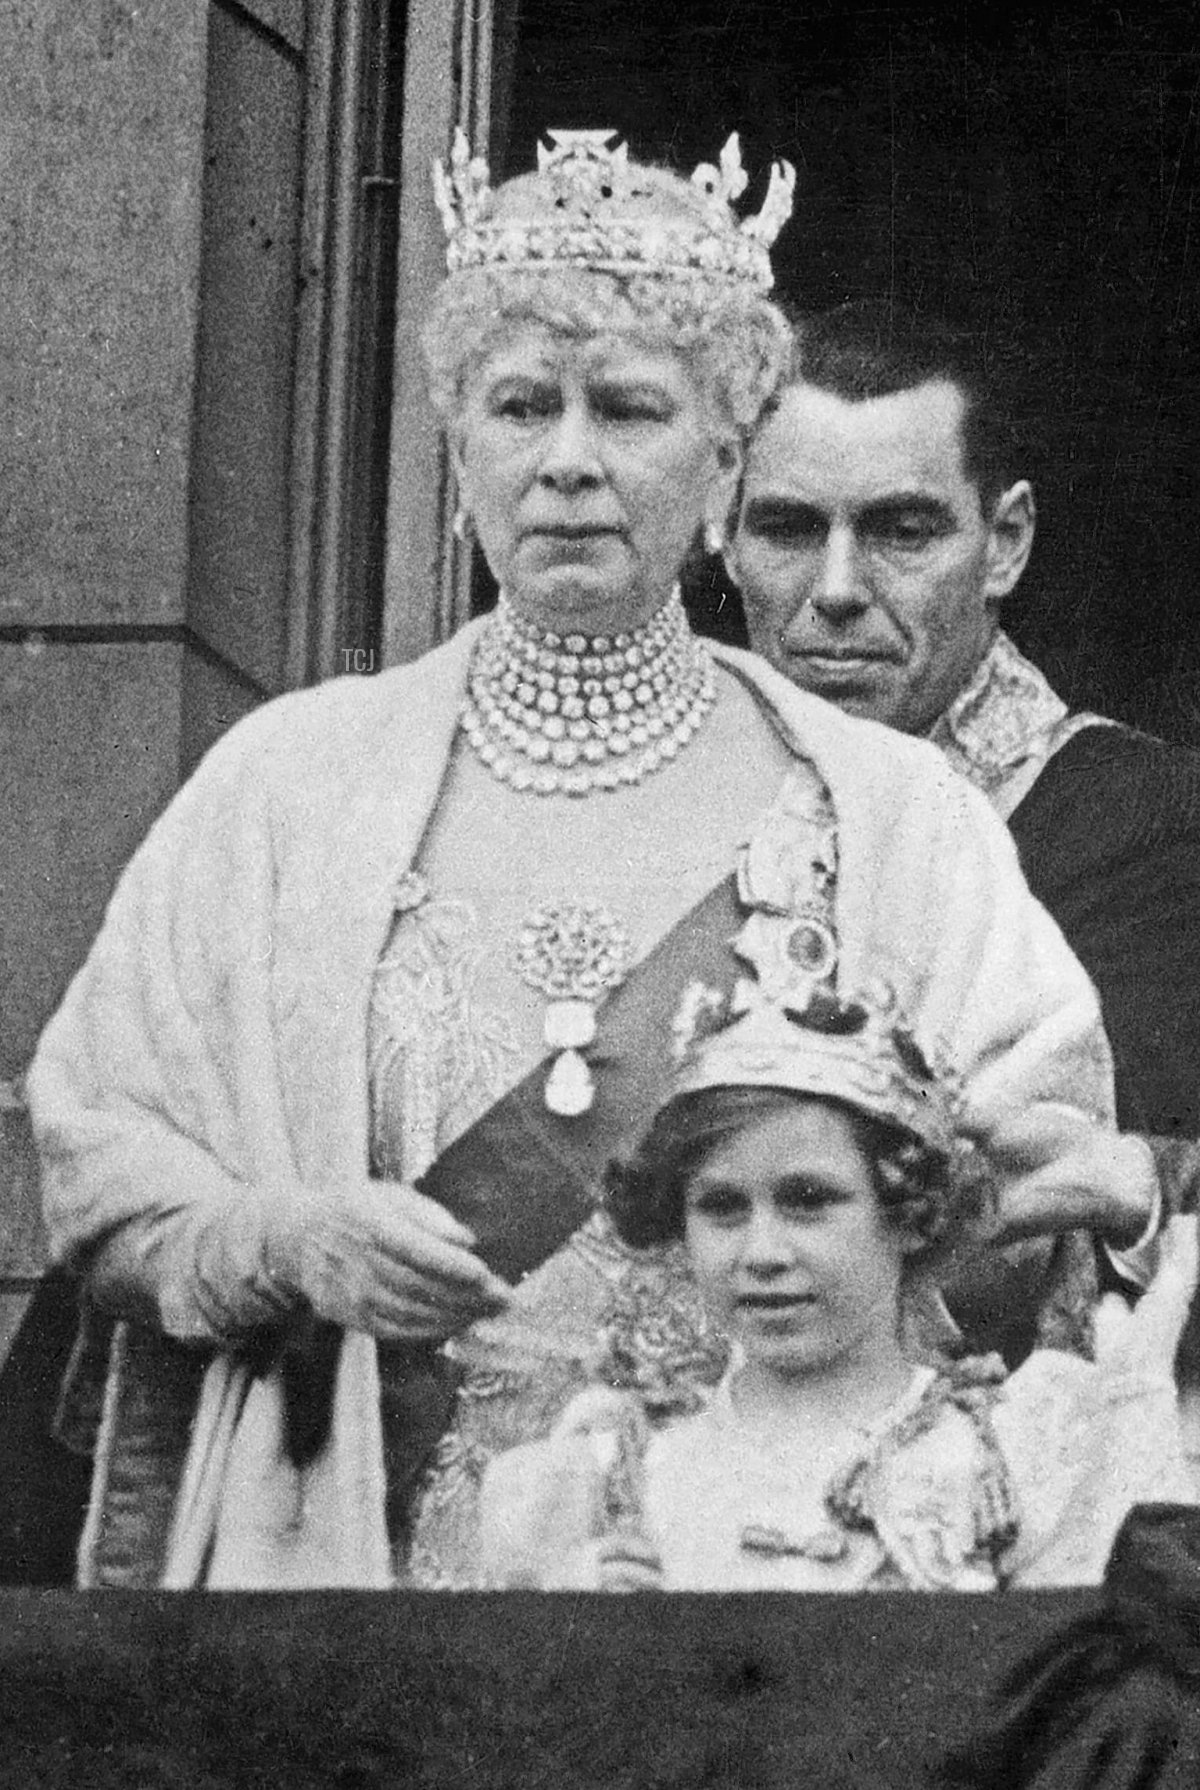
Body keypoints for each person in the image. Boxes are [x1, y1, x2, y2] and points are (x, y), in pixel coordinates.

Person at [26, 134, 1141, 1591]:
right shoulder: (287, 786)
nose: (567, 460)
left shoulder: (890, 809)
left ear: (730, 461)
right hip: (355, 1563)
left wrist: (1000, 1208)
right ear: (458, 440)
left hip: (774, 1576)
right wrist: (283, 1236)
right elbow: (104, 1162)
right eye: (519, 406)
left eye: (627, 408)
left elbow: (1033, 1181)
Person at [469, 987, 1196, 1594]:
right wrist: (566, 1629)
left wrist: (1132, 1430)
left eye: (809, 1200)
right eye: (721, 1208)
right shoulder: (611, 1475)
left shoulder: (1013, 1446)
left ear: (911, 1215)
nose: (762, 1253)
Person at [726, 298, 1200, 1150]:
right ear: (723, 538)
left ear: (1006, 541)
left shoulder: (1159, 828)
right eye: (788, 530)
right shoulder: (662, 796)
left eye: (901, 532)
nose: (836, 589)